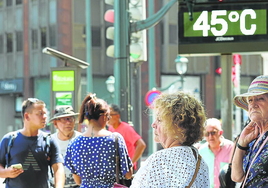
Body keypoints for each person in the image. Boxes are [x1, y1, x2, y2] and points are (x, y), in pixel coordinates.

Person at [130, 91, 210, 187]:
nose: (153, 124)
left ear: (177, 126)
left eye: (159, 119)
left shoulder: (158, 161)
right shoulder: (201, 164)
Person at [65, 93, 133, 187]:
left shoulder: (74, 143)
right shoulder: (115, 139)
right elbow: (128, 174)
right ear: (104, 116)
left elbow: (78, 181)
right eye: (108, 116)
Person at [0, 98, 65, 188]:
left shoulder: (49, 140)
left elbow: (58, 169)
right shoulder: (9, 139)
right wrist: (6, 172)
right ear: (27, 116)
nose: (45, 116)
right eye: (40, 113)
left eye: (45, 113)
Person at [232, 75, 268, 187]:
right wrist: (241, 144)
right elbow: (236, 177)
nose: (253, 104)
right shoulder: (254, 137)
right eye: (250, 100)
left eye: (260, 98)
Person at [49, 105, 81, 188]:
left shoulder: (82, 140)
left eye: (70, 118)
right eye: (63, 119)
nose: (68, 122)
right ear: (55, 123)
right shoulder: (49, 141)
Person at [108, 104, 146, 171]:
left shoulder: (126, 128)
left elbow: (141, 145)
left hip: (127, 170)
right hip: (117, 169)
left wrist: (130, 164)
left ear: (117, 116)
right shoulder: (110, 128)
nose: (108, 117)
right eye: (106, 115)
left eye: (110, 115)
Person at [199, 118, 233, 188]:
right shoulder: (201, 151)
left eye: (213, 132)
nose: (210, 137)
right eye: (207, 134)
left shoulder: (231, 148)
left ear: (220, 132)